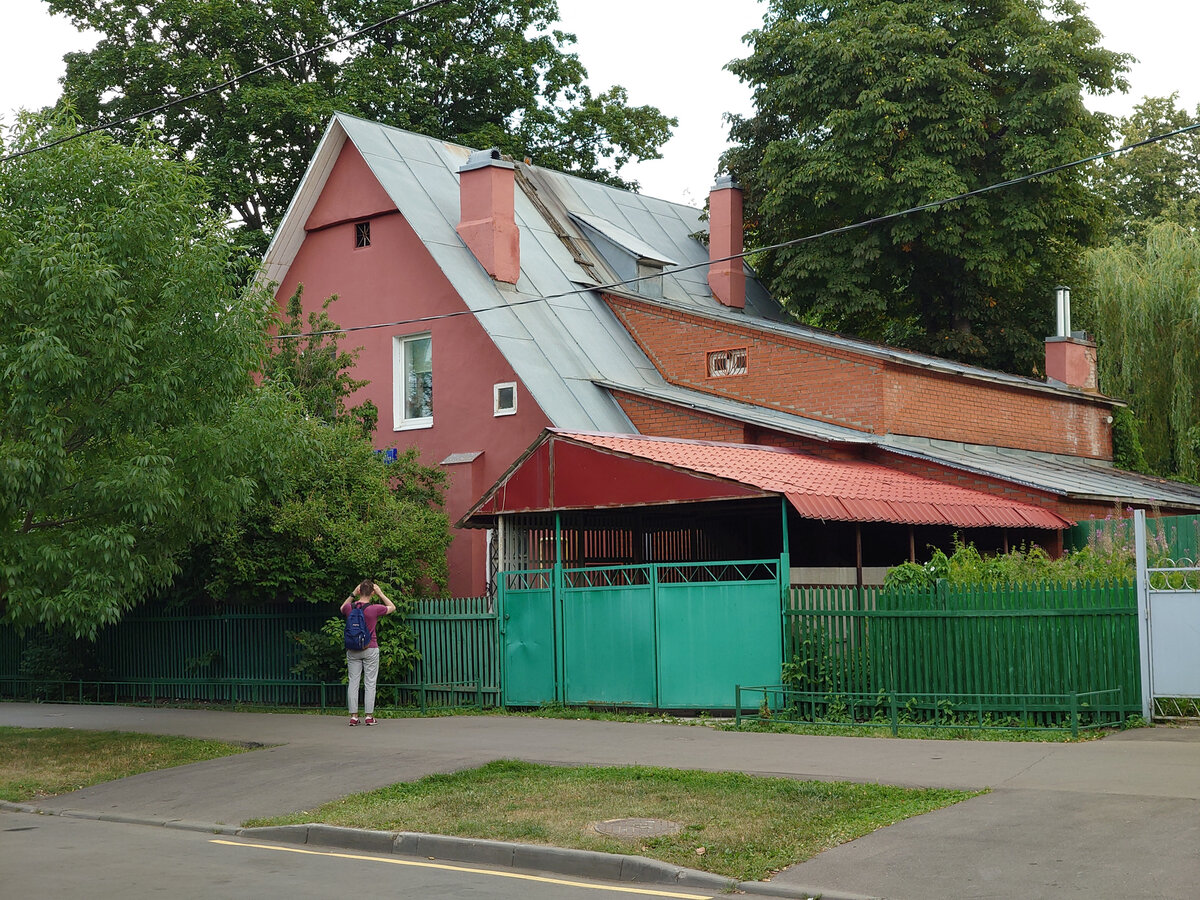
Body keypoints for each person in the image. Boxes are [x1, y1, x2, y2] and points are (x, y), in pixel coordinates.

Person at [340, 579, 396, 725]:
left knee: (353, 682)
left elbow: (341, 607)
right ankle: (369, 717)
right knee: (370, 683)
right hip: (370, 647)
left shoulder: (349, 608)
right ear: (372, 592)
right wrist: (380, 593)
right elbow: (392, 607)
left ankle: (353, 717)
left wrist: (353, 593)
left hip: (352, 649)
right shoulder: (374, 609)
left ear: (359, 591)